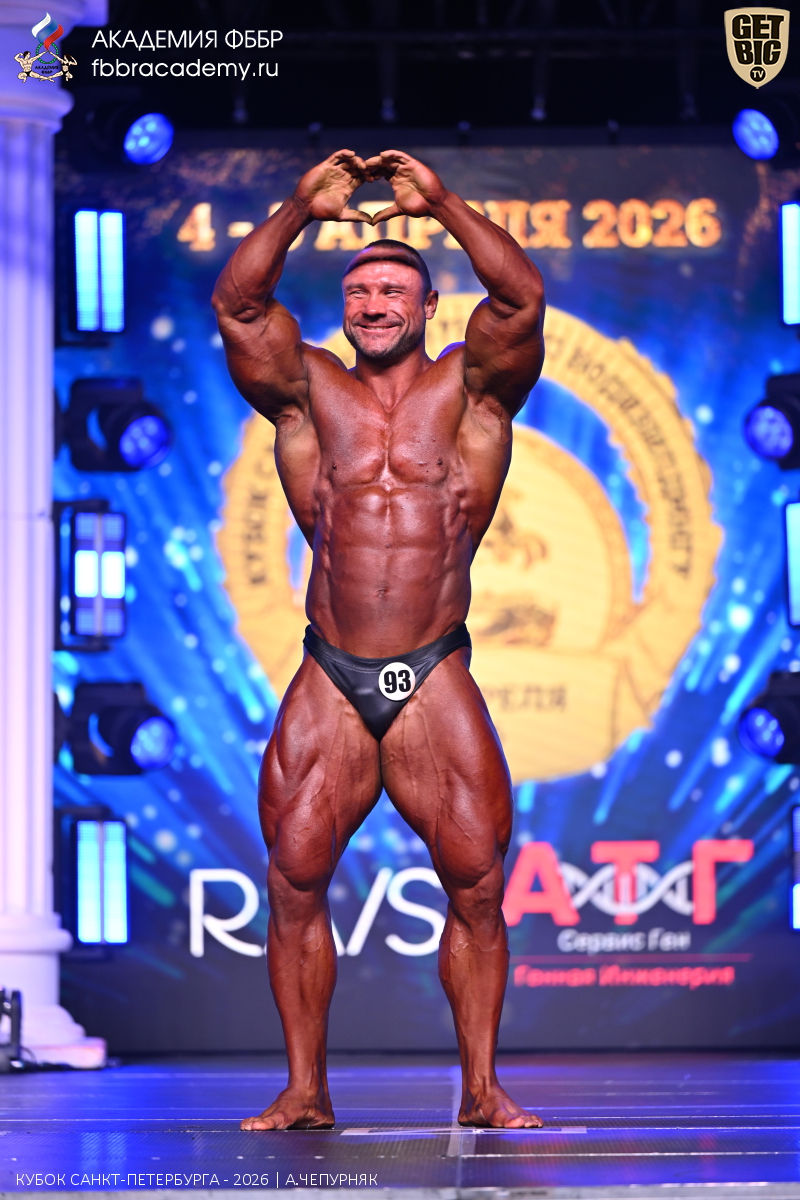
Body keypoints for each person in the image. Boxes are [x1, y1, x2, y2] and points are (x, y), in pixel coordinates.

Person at [212, 149, 545, 1131]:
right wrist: (296, 210)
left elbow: (521, 300)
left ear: (429, 304)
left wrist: (440, 203)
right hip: (331, 668)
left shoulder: (474, 391)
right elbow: (238, 306)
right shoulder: (306, 391)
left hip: (432, 666)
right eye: (359, 291)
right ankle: (305, 1090)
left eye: (394, 290)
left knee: (477, 882)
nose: (374, 304)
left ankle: (480, 1090)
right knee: (293, 878)